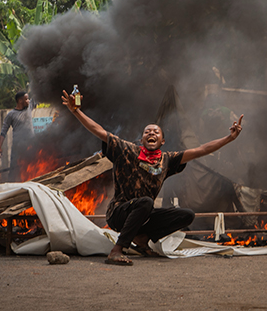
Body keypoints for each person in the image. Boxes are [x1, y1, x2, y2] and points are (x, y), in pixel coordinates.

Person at [61, 89, 243, 266]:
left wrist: (229, 138)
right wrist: (76, 111)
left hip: (144, 215)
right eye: (148, 132)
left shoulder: (167, 160)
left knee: (186, 215)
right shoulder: (127, 150)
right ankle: (117, 250)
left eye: (156, 132)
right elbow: (99, 131)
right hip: (119, 213)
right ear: (142, 140)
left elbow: (201, 150)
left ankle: (142, 238)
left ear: (162, 141)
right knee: (146, 202)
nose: (151, 134)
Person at [0, 91, 34, 173]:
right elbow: (4, 131)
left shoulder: (29, 107)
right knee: (15, 170)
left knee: (32, 167)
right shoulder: (11, 115)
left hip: (31, 144)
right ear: (20, 101)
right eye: (26, 99)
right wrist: (0, 146)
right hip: (18, 147)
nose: (28, 101)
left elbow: (38, 94)